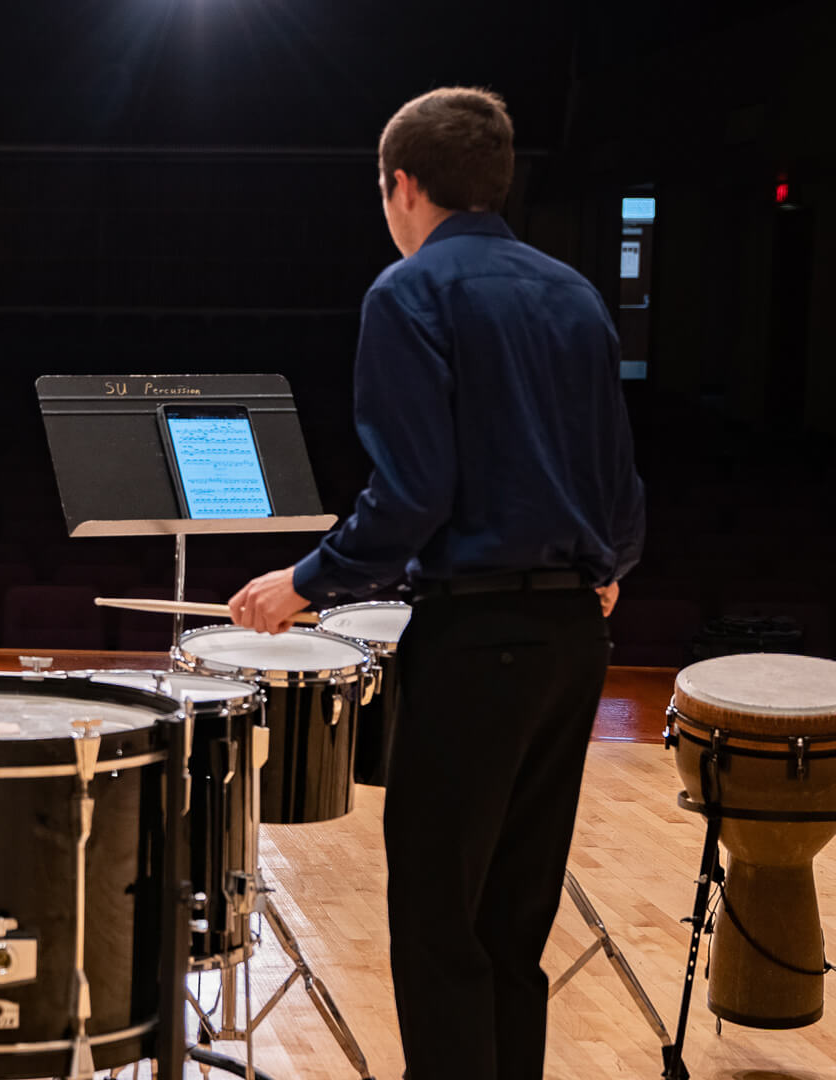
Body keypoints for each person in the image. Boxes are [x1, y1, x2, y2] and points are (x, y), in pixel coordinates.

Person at [226, 88, 645, 1079]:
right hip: (575, 647)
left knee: (439, 927)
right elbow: (623, 483)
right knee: (513, 927)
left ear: (401, 184)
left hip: (478, 643)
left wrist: (306, 583)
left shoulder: (408, 293)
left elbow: (413, 493)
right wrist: (610, 563)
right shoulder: (577, 294)